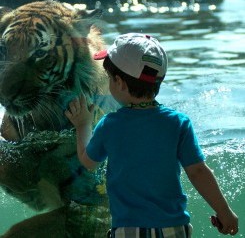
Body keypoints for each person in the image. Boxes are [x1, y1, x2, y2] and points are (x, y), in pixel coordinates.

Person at [65, 33, 238, 237]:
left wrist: (83, 124)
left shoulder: (110, 125)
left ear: (119, 82)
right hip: (173, 229)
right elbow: (198, 171)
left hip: (127, 231)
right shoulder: (178, 123)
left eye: (110, 79)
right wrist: (224, 211)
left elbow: (88, 162)